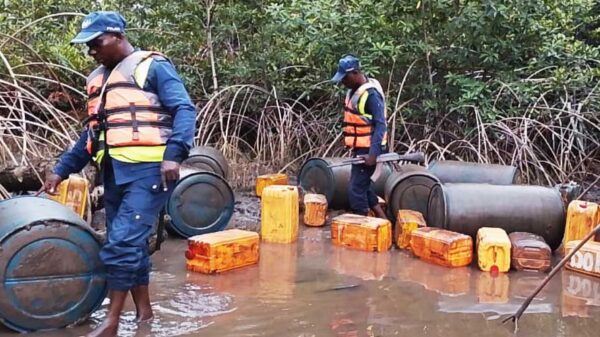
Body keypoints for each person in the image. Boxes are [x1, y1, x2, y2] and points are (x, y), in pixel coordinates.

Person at [42, 11, 196, 337]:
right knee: (131, 245)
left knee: (122, 244)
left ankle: (111, 323)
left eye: (96, 43)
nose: (91, 51)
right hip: (113, 175)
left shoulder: (152, 67)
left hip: (149, 172)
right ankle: (145, 315)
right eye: (88, 46)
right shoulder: (99, 79)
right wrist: (61, 170)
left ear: (117, 36)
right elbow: (91, 135)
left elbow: (184, 109)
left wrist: (174, 155)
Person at [331, 55, 388, 218]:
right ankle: (384, 222)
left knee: (355, 191)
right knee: (363, 186)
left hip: (370, 148)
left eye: (345, 78)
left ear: (355, 73)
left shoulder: (370, 95)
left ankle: (363, 226)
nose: (343, 82)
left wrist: (373, 154)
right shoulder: (354, 91)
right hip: (360, 147)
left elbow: (381, 125)